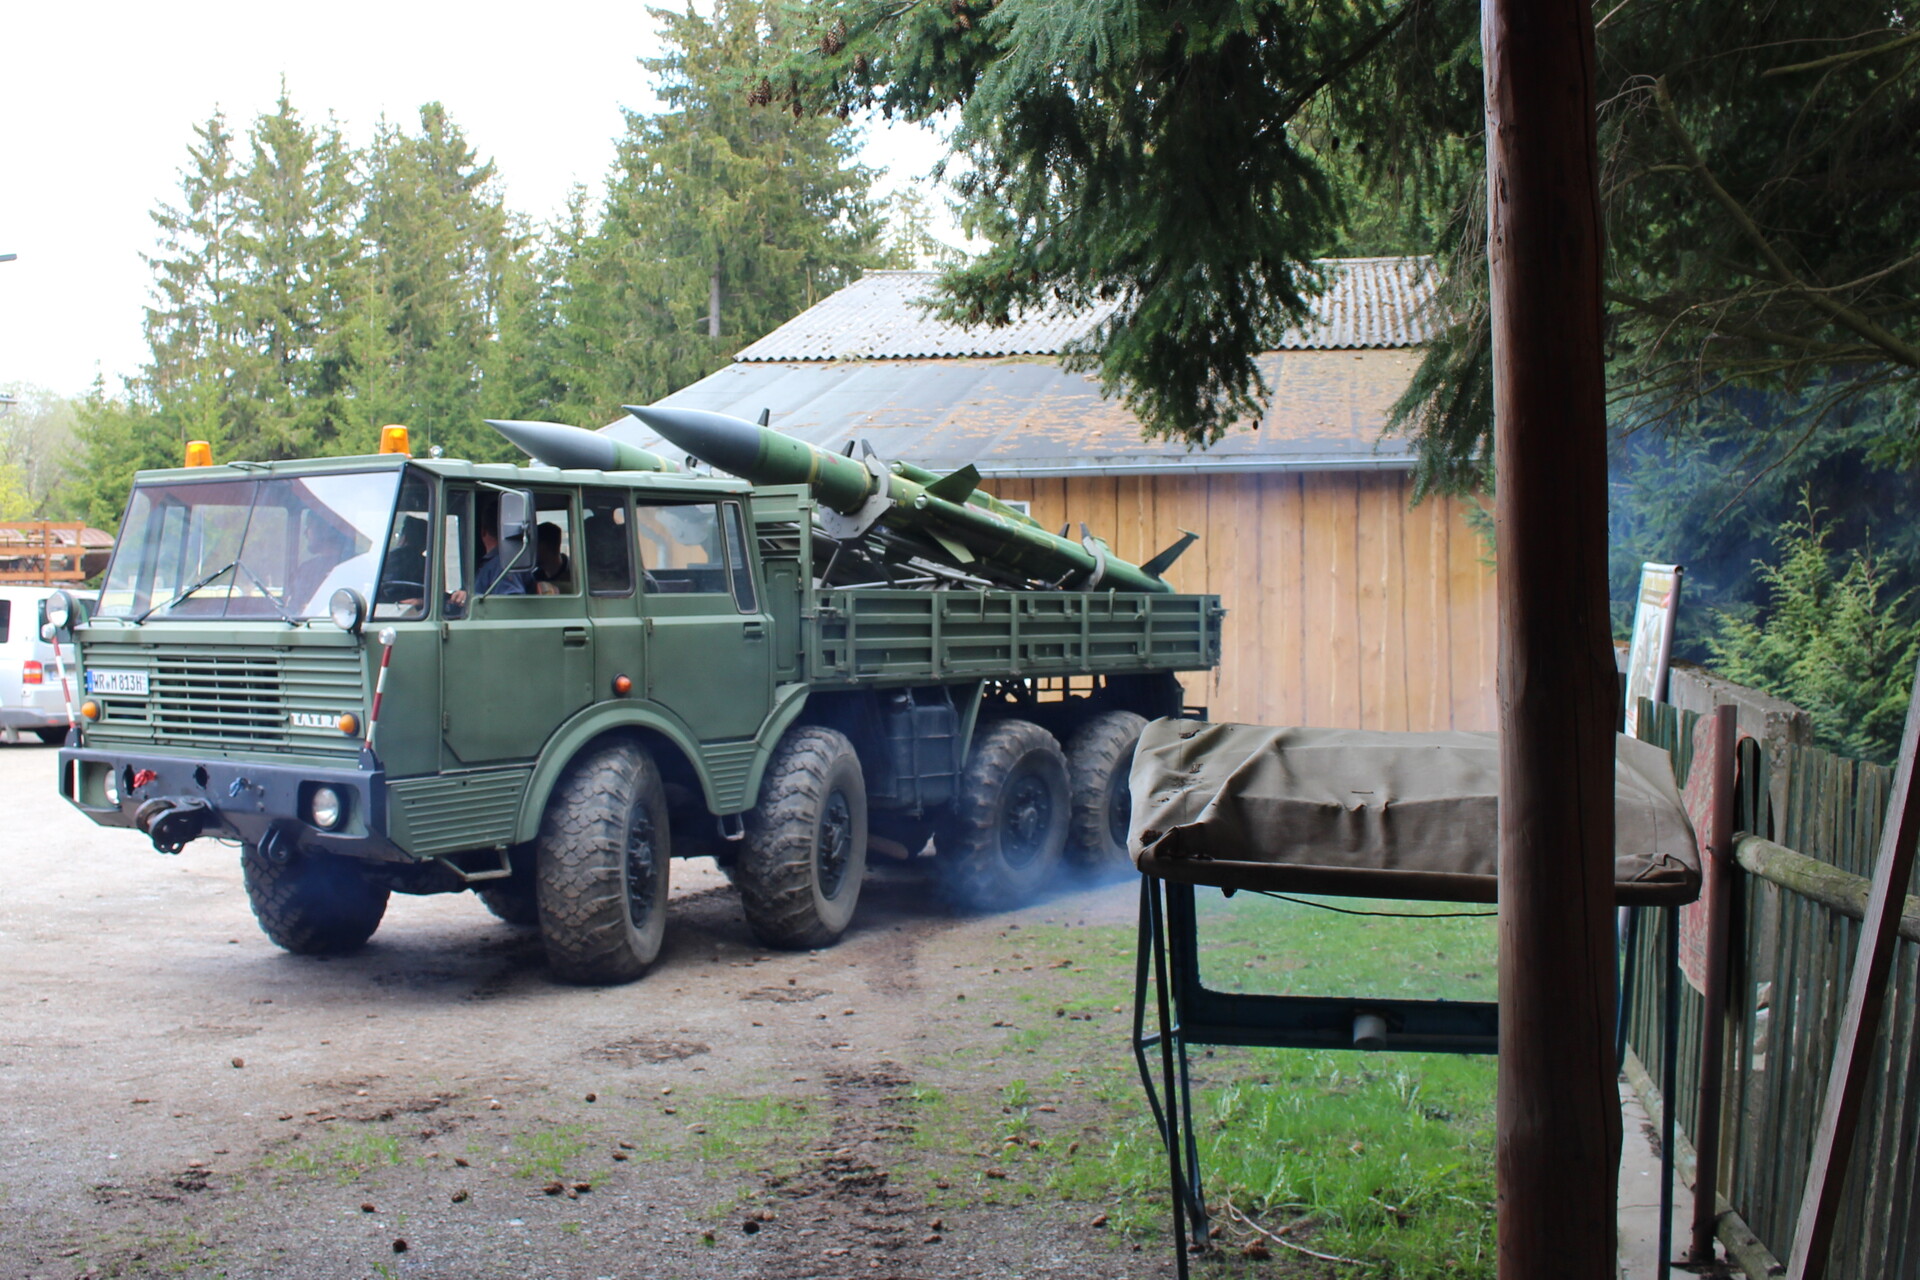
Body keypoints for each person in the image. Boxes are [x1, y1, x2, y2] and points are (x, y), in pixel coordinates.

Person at [532, 522, 571, 595]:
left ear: (544, 547)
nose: (530, 552)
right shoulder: (535, 577)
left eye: (533, 546)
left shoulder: (575, 575)